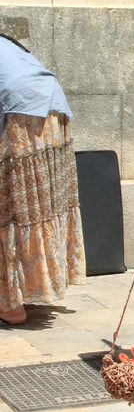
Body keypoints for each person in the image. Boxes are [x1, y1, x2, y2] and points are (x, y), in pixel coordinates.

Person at [0, 35, 86, 325]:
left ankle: (10, 305)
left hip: (21, 110)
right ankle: (30, 288)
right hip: (51, 103)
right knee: (39, 204)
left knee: (9, 205)